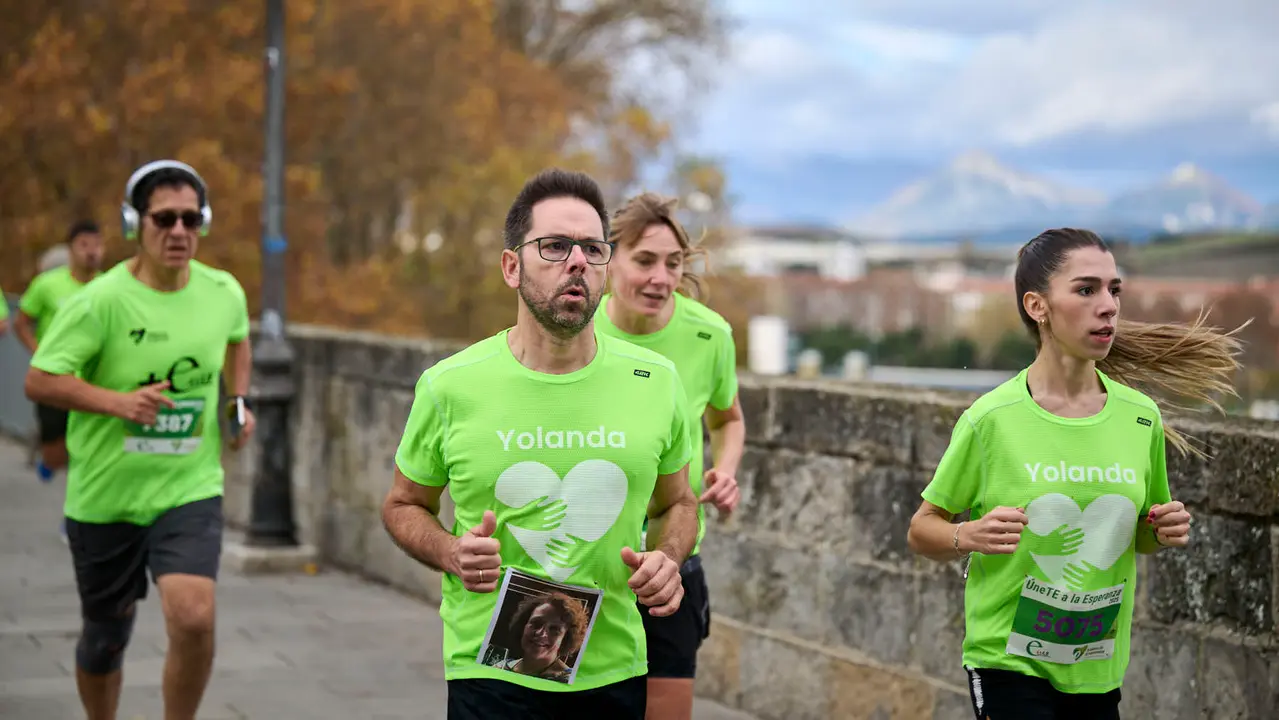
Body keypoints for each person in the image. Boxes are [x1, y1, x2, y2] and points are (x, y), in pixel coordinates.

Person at [381, 167, 700, 720]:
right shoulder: (451, 385)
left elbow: (679, 503)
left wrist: (668, 559)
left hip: (614, 670)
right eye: (554, 247)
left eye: (593, 249)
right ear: (512, 266)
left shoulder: (657, 381)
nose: (577, 262)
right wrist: (451, 553)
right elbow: (403, 505)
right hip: (490, 672)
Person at [906, 228, 1243, 720]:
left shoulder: (1140, 417)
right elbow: (921, 529)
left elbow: (1139, 534)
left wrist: (1161, 530)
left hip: (1096, 664)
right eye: (1086, 290)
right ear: (1037, 306)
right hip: (1008, 662)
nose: (1108, 306)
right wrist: (967, 535)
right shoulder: (991, 419)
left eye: (1114, 290)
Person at [24, 159, 256, 720]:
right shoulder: (98, 301)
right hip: (107, 497)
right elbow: (40, 379)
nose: (178, 232)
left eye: (190, 219)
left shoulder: (223, 291)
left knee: (195, 617)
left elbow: (237, 340)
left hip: (188, 487)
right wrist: (118, 403)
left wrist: (236, 403)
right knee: (105, 638)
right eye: (164, 219)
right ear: (135, 224)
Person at [593, 192, 744, 720]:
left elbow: (727, 418)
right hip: (582, 563)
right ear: (608, 259)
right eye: (644, 261)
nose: (662, 278)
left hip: (670, 563)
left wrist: (724, 471)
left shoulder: (709, 335)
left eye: (674, 264)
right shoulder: (573, 331)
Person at [17, 220, 106, 483]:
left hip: (94, 378)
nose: (91, 252)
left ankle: (82, 486)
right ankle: (51, 457)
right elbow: (21, 322)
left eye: (97, 245)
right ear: (70, 250)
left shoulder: (108, 286)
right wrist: (37, 352)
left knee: (91, 448)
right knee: (55, 453)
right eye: (84, 245)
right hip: (55, 377)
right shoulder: (47, 284)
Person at [486, 591, 592, 682]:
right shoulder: (500, 666)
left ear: (565, 639)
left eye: (554, 629)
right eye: (536, 623)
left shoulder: (569, 680)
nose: (541, 633)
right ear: (523, 625)